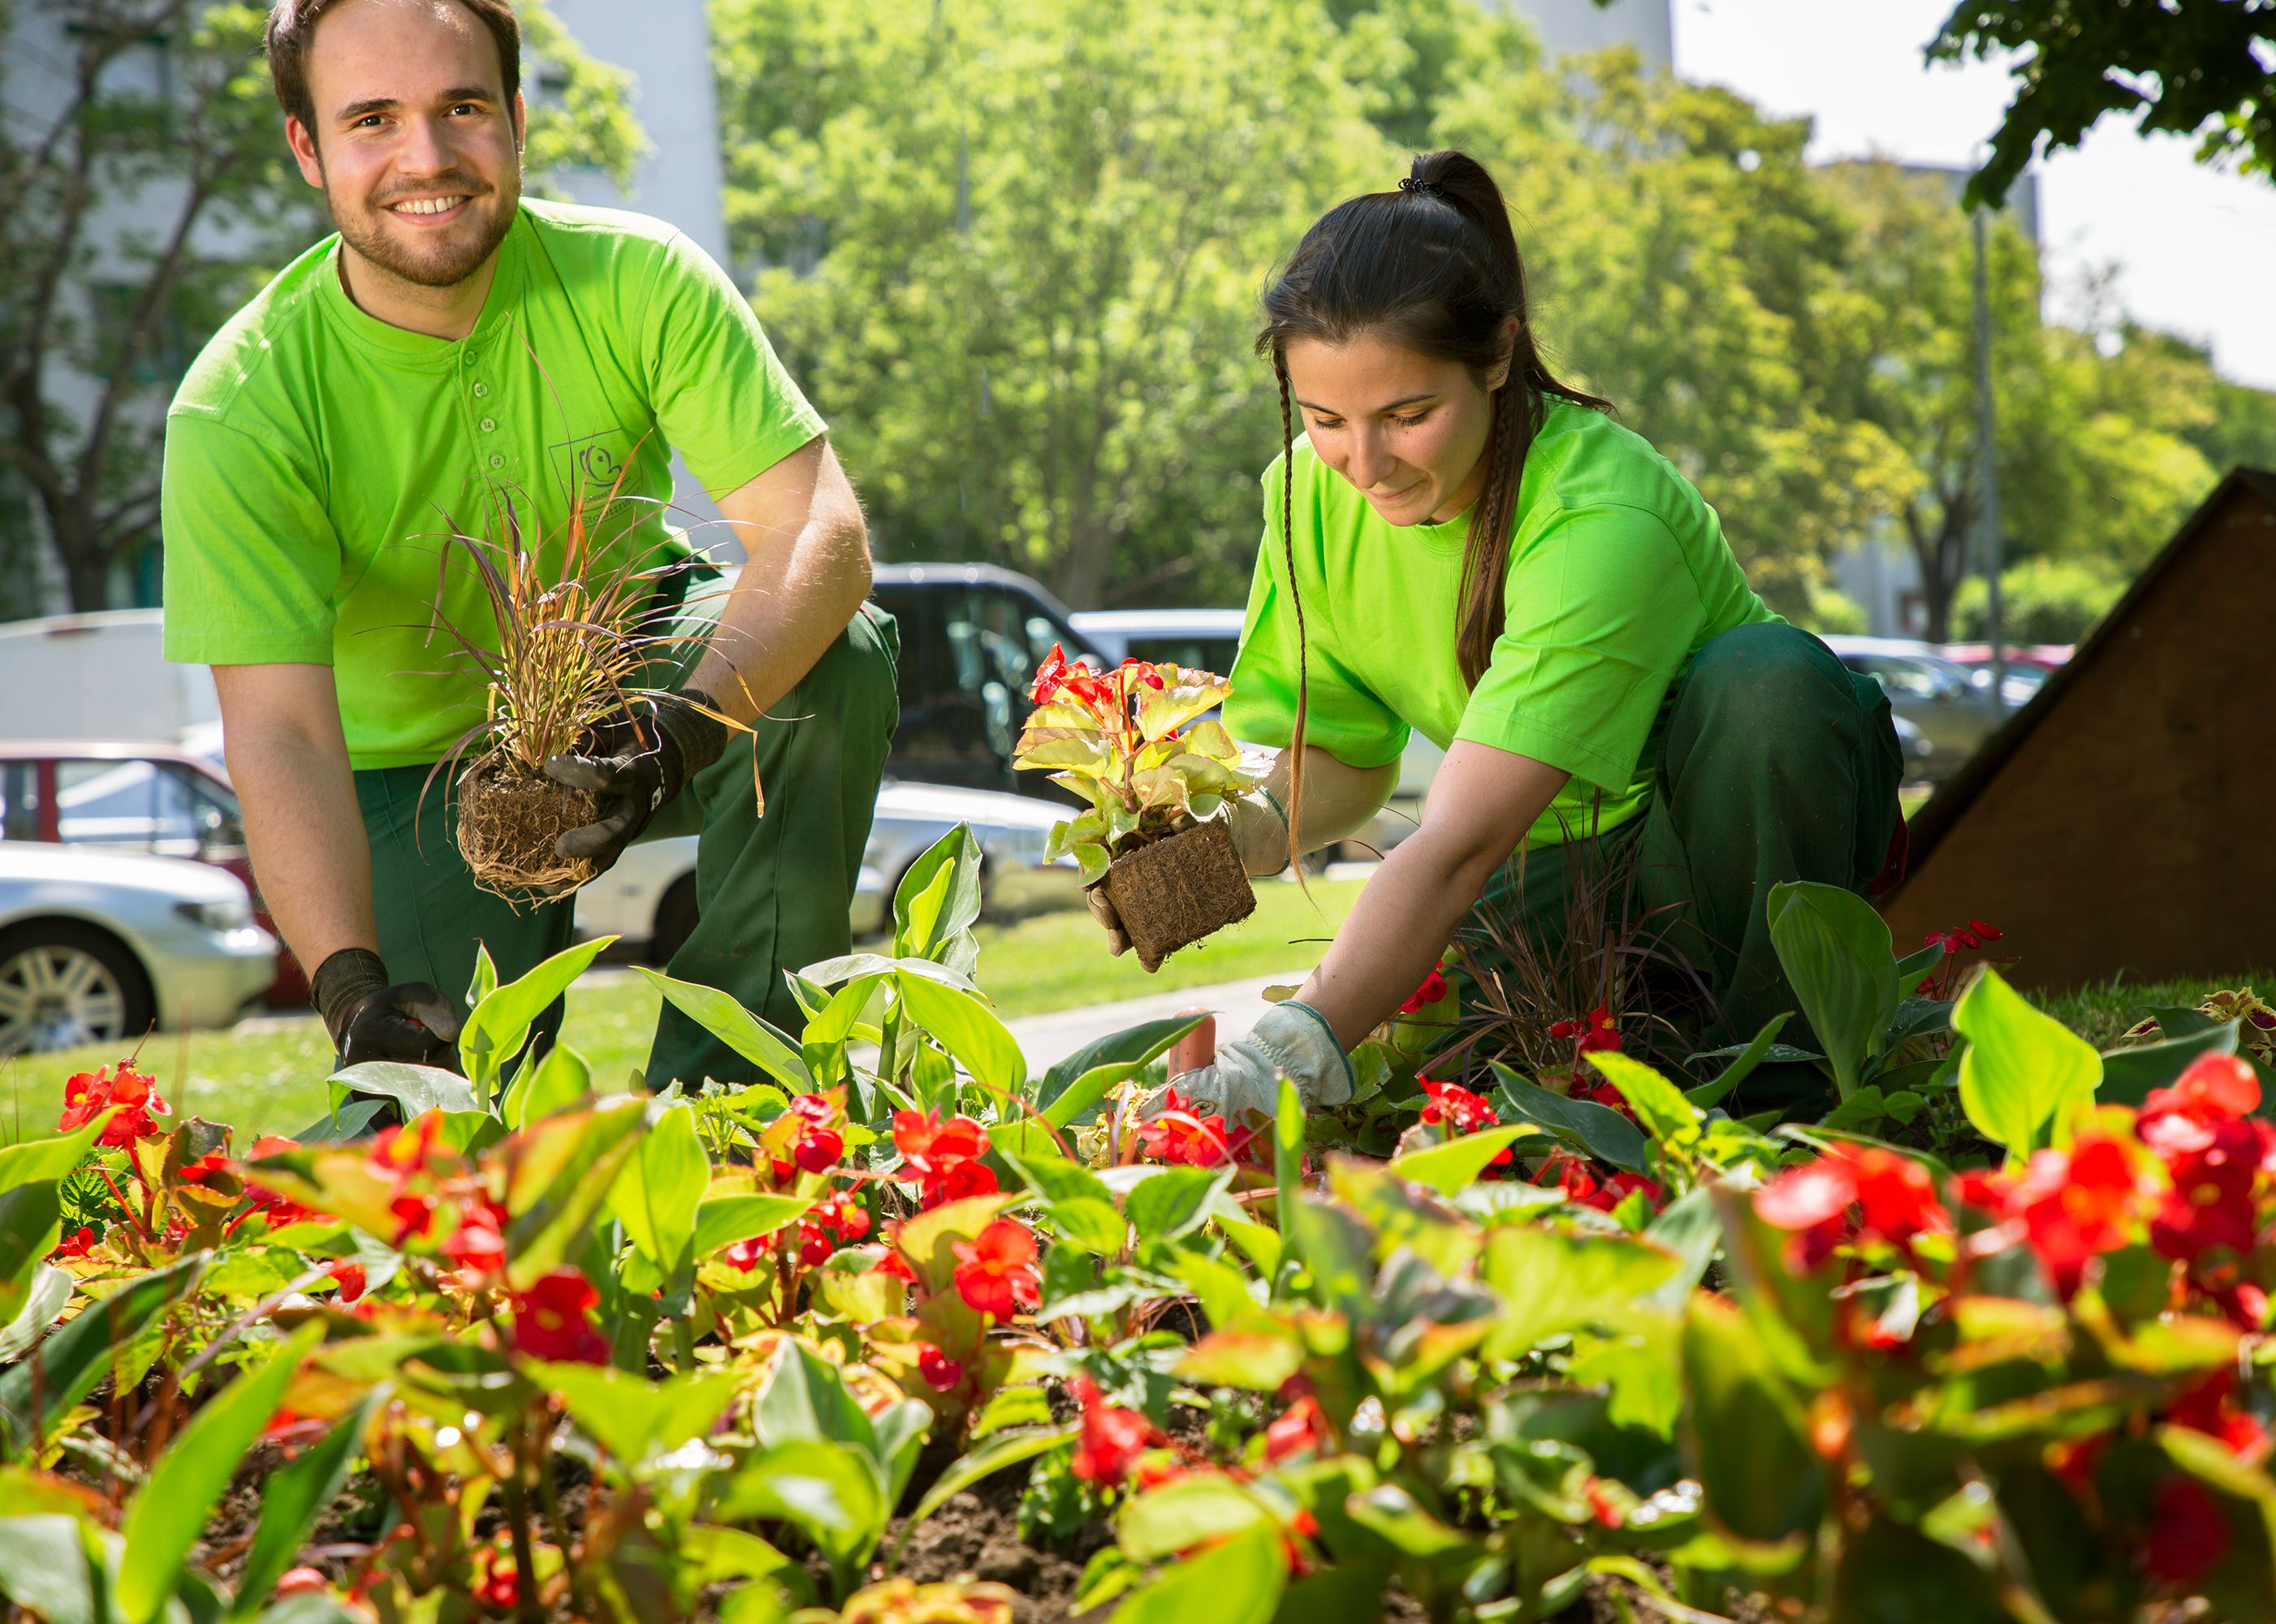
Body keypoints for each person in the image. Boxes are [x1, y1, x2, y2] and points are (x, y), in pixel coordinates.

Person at [160, 0, 896, 1095]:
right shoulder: (240, 407)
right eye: (372, 119)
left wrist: (675, 739)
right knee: (445, 1113)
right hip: (410, 781)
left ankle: (739, 1106)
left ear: (514, 116)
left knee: (835, 653)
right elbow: (281, 734)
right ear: (307, 148)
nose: (427, 158)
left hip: (636, 691)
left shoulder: (639, 277)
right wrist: (350, 990)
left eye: (461, 108)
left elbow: (818, 535)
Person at [1147, 151, 1901, 1121]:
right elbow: (1340, 751)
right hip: (1541, 875)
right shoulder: (1306, 498)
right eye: (1327, 418)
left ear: (1498, 356)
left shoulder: (1600, 514)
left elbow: (1459, 842)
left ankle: (1782, 1095)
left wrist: (1287, 1051)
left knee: (1770, 681)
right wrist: (1228, 840)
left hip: (1704, 850)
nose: (1364, 466)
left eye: (1408, 415)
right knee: (1444, 1096)